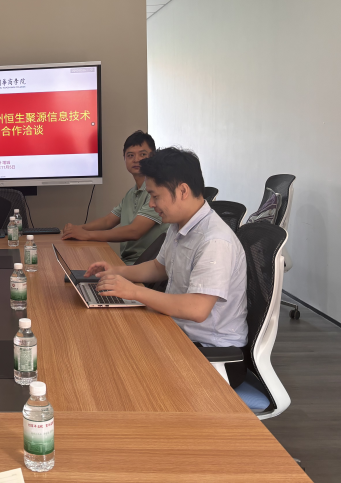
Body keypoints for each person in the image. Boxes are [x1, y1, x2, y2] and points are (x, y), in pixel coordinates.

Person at [83, 148, 248, 387]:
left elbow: (197, 309)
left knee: (117, 366)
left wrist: (134, 291)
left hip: (213, 356)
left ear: (182, 191)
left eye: (155, 196)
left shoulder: (215, 241)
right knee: (109, 341)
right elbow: (158, 267)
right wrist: (116, 271)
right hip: (179, 333)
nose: (151, 204)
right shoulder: (179, 225)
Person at [62, 130, 168, 265]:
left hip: (146, 265)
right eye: (130, 155)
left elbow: (135, 231)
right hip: (127, 262)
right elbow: (108, 221)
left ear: (153, 157)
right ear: (124, 159)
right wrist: (78, 229)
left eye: (142, 154)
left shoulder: (157, 192)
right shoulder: (131, 193)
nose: (136, 160)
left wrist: (86, 234)